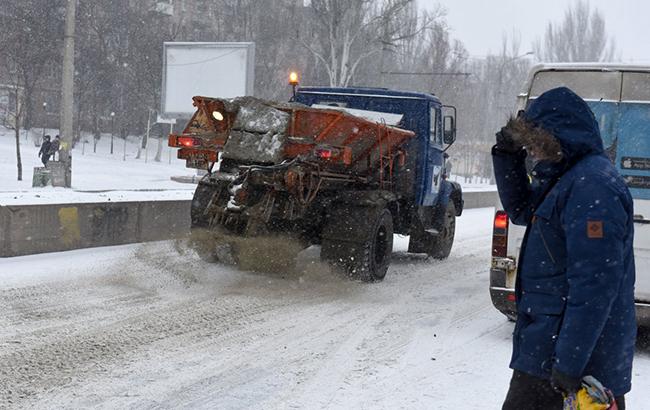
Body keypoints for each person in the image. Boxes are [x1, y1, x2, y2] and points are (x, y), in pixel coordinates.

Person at [492, 87, 636, 410]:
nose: (531, 152)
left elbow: (595, 285)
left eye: (534, 144)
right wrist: (507, 157)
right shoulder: (566, 178)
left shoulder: (591, 186)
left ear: (557, 138)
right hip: (550, 352)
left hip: (576, 365)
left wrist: (570, 362)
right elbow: (521, 211)